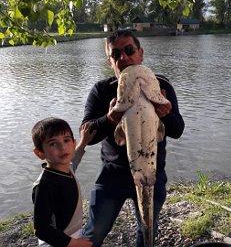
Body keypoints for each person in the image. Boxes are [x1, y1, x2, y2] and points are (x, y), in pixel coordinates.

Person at [81, 30, 185, 246]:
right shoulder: (101, 90)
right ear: (110, 62)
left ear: (141, 53)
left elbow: (177, 130)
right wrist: (110, 119)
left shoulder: (161, 85)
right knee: (94, 231)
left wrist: (165, 113)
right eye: (116, 54)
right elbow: (87, 134)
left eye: (129, 50)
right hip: (112, 177)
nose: (124, 58)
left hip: (151, 174)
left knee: (147, 229)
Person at [32, 117, 96, 247]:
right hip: (56, 241)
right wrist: (73, 243)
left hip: (72, 235)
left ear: (73, 143)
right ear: (40, 153)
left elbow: (75, 160)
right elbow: (42, 229)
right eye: (53, 143)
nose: (62, 147)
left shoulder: (67, 168)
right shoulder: (44, 186)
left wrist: (83, 142)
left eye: (66, 140)